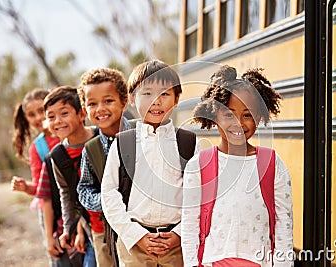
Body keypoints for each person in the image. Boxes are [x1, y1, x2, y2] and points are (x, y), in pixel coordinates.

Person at [181, 65, 293, 267]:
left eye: (247, 115)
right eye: (229, 114)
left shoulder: (271, 163)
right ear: (215, 116)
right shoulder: (199, 165)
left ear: (259, 118)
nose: (238, 123)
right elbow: (190, 224)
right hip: (214, 262)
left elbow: (283, 222)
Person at [101, 60, 198, 267]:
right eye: (147, 94)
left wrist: (179, 234)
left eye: (164, 94)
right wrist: (135, 235)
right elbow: (109, 193)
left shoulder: (189, 143)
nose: (156, 101)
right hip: (134, 244)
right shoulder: (123, 142)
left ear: (177, 99)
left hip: (178, 245)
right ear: (132, 99)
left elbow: (199, 194)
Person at [76, 68, 132, 267]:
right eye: (92, 103)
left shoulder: (142, 135)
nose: (100, 108)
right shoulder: (91, 149)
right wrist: (108, 202)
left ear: (124, 102)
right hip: (106, 235)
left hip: (143, 231)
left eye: (108, 101)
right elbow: (83, 189)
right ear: (85, 109)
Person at [44, 86, 97, 267]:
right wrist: (69, 229)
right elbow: (66, 194)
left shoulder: (101, 139)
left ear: (82, 114)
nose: (57, 121)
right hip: (92, 229)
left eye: (64, 113)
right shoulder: (57, 156)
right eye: (51, 116)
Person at [11, 88, 60, 267]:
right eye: (31, 115)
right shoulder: (37, 148)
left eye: (41, 111)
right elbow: (41, 190)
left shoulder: (70, 133)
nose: (38, 118)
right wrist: (26, 187)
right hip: (51, 212)